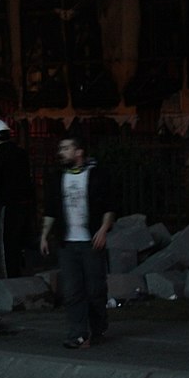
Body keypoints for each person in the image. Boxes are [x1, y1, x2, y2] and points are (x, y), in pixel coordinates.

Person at [39, 135, 115, 349]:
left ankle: (98, 327)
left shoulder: (96, 176)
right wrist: (45, 235)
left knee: (95, 289)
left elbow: (109, 206)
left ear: (79, 152)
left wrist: (103, 229)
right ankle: (78, 333)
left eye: (66, 148)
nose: (61, 152)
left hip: (90, 242)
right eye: (60, 148)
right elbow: (52, 209)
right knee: (72, 291)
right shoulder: (58, 179)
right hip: (67, 243)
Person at [0, 119, 35, 279]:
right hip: (26, 203)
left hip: (9, 203)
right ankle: (25, 271)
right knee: (22, 240)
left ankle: (11, 279)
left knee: (9, 243)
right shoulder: (21, 152)